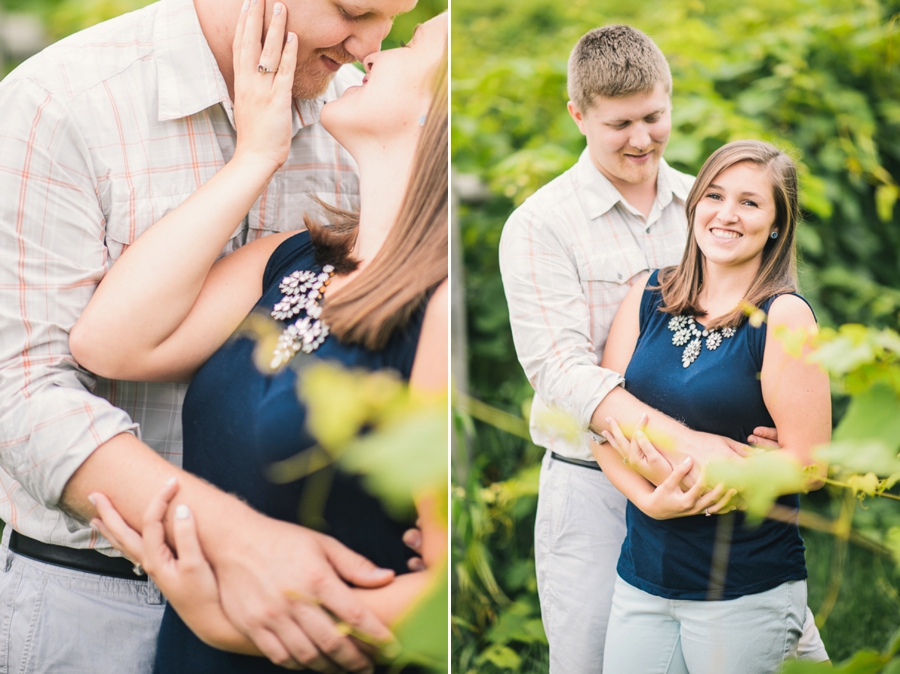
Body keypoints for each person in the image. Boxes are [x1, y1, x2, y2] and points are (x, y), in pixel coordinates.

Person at [0, 0, 425, 671]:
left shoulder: (361, 115)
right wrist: (236, 541)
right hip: (97, 599)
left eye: (397, 17)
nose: (370, 44)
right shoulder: (59, 104)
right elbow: (21, 391)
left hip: (309, 604)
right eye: (355, 9)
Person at [498, 25, 828, 673]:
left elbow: (757, 332)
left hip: (725, 495)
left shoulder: (703, 201)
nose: (643, 138)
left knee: (787, 651)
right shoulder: (542, 223)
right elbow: (559, 372)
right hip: (598, 483)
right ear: (579, 116)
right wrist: (691, 450)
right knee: (596, 660)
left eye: (655, 116)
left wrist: (766, 454)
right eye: (621, 123)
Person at [595, 139, 830, 673]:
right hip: (642, 577)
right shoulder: (647, 294)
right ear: (694, 203)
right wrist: (650, 500)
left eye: (750, 203)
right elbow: (601, 427)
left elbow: (812, 466)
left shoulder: (783, 318)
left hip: (742, 585)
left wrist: (735, 471)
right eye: (715, 196)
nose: (727, 215)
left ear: (776, 224)